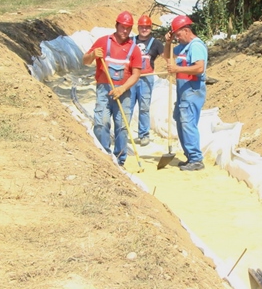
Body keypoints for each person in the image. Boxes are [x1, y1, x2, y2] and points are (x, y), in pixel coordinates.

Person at [82, 11, 142, 166]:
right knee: (101, 123)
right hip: (104, 89)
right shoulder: (103, 42)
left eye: (128, 28)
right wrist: (93, 55)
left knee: (122, 126)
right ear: (116, 25)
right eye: (122, 27)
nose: (125, 31)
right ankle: (103, 156)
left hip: (124, 92)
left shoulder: (134, 49)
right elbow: (85, 61)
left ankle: (120, 159)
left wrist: (122, 89)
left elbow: (136, 75)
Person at [164, 14, 208, 171]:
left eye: (178, 34)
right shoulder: (183, 46)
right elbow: (167, 56)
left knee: (187, 122)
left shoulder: (195, 46)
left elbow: (199, 68)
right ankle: (190, 156)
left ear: (187, 30)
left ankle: (196, 159)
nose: (177, 37)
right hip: (183, 90)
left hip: (192, 89)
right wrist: (168, 42)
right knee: (180, 119)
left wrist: (177, 69)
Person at [129, 15, 164, 147]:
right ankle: (122, 133)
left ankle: (143, 135)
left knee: (144, 107)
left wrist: (172, 64)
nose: (144, 29)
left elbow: (166, 56)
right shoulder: (130, 41)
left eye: (147, 27)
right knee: (128, 106)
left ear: (150, 28)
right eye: (142, 27)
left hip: (146, 79)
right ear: (138, 27)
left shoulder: (156, 43)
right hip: (131, 77)